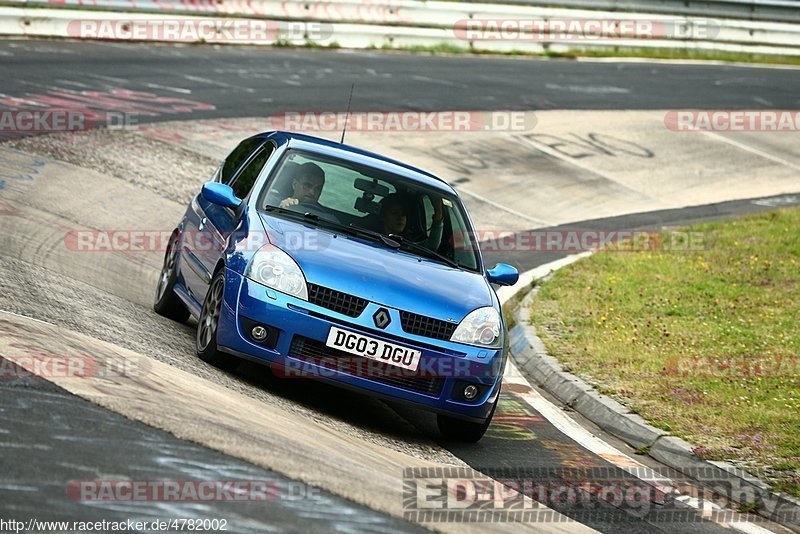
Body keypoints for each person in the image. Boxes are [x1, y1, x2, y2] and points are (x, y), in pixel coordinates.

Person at [379, 193, 444, 251]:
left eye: (404, 214)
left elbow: (432, 245)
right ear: (383, 216)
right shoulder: (370, 236)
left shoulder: (408, 246)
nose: (400, 217)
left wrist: (438, 211)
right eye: (395, 213)